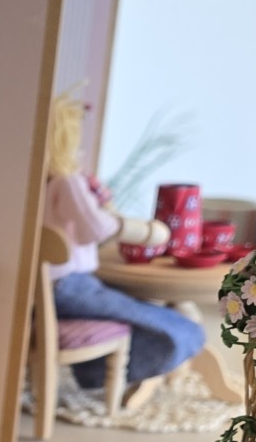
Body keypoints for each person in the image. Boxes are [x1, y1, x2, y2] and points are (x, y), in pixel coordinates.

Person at [43, 92, 206, 391]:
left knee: (142, 310)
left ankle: (101, 371)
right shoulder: (68, 181)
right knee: (171, 321)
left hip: (53, 285)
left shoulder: (42, 182)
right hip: (69, 284)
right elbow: (94, 229)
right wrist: (139, 230)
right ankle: (106, 373)